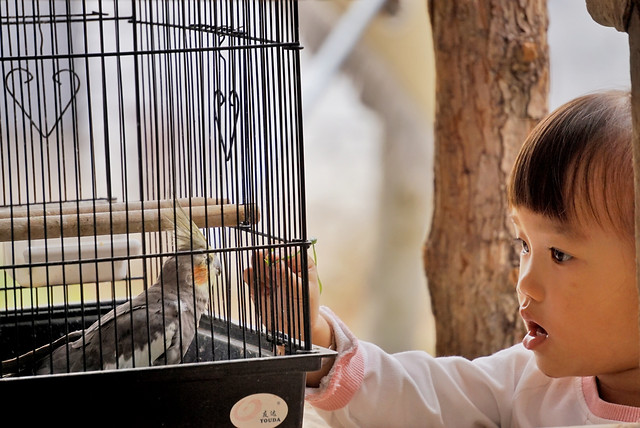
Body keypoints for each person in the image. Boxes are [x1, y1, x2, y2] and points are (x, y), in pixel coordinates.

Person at [244, 90, 640, 427]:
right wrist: (313, 341)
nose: (526, 283)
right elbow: (415, 399)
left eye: (559, 254)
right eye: (523, 245)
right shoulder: (526, 384)